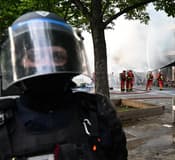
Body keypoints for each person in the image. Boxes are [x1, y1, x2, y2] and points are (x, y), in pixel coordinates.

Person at [0, 11, 127, 159]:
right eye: (34, 56)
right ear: (19, 64)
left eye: (56, 56)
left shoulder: (99, 113)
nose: (46, 65)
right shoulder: (3, 121)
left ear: (70, 61)